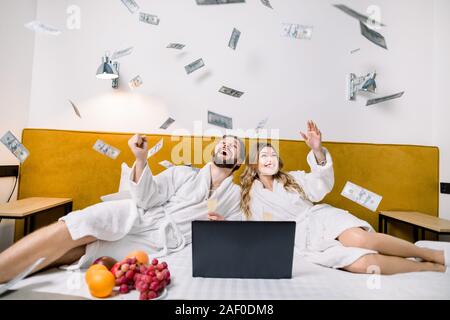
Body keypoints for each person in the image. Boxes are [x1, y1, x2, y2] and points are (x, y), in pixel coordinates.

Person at [0, 134, 245, 283]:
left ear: (239, 163)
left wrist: (223, 229)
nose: (226, 145)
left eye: (233, 146)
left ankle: (9, 275)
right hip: (139, 216)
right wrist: (141, 159)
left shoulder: (235, 196)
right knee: (78, 225)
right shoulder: (183, 173)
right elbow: (147, 198)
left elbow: (242, 234)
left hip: (157, 244)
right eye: (223, 142)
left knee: (85, 252)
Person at [236, 121, 448, 275]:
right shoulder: (247, 197)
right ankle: (425, 266)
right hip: (303, 241)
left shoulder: (293, 179)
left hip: (321, 218)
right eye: (264, 156)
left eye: (273, 155)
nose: (270, 159)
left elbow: (321, 185)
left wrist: (317, 150)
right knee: (364, 264)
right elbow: (240, 224)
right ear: (254, 163)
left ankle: (429, 253)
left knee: (360, 240)